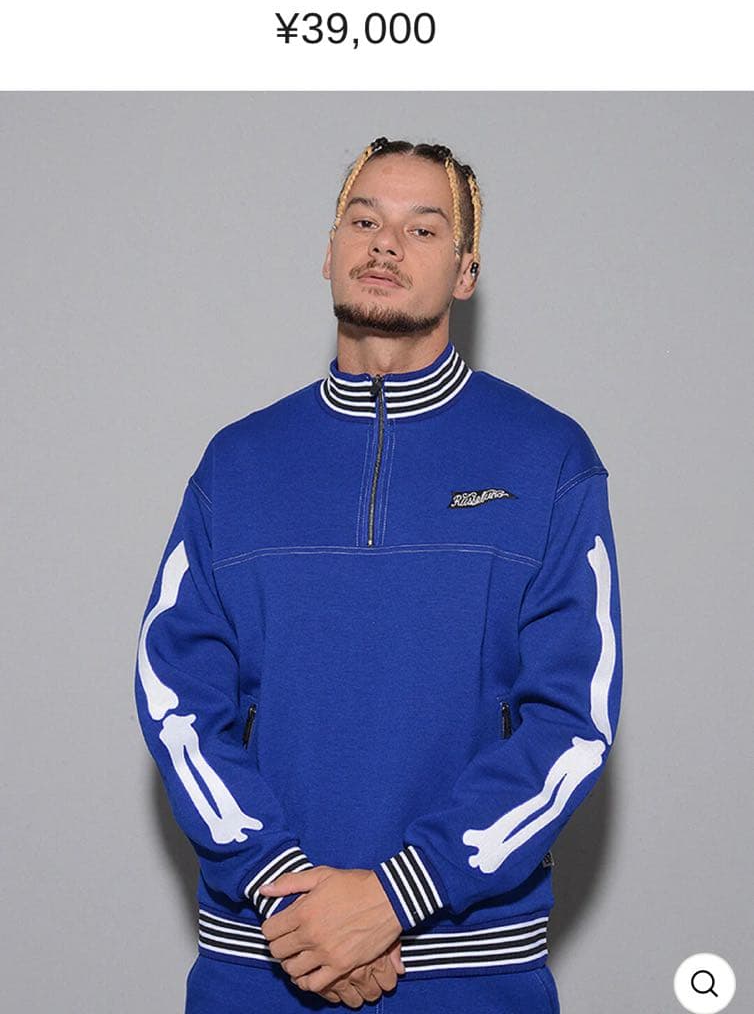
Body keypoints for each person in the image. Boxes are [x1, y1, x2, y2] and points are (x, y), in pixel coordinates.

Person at [134, 136, 623, 1013]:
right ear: (329, 251)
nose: (386, 244)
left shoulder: (549, 458)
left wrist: (398, 895)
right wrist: (293, 897)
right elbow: (177, 703)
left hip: (471, 977)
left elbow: (572, 722)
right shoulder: (237, 465)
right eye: (364, 221)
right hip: (260, 966)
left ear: (466, 273)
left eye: (423, 228)